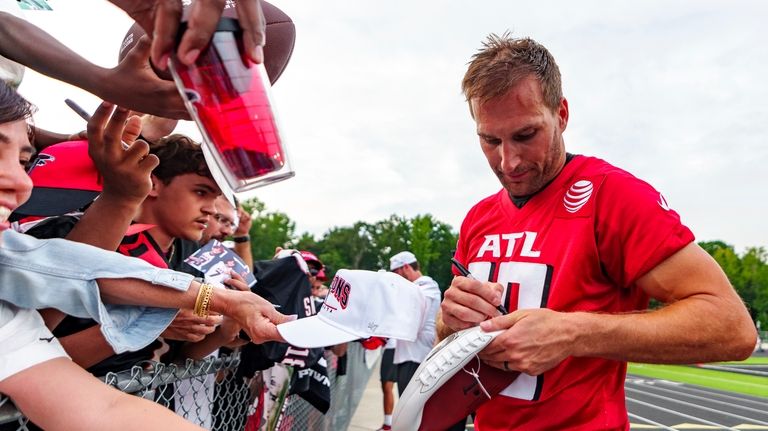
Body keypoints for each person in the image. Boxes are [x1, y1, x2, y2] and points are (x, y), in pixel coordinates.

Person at [438, 34, 757, 430]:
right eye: (490, 140)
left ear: (562, 114)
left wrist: (573, 332)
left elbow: (732, 327)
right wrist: (450, 319)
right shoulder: (478, 217)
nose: (509, 161)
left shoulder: (612, 196)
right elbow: (448, 341)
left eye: (525, 135)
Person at [0, 79, 288, 430]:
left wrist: (224, 325)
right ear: (154, 183)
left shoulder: (191, 256)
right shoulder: (64, 235)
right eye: (201, 192)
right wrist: (154, 318)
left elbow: (35, 352)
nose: (211, 211)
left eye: (23, 161)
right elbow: (66, 288)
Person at [388, 251, 441, 395]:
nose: (395, 278)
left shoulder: (425, 286)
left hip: (417, 357)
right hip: (408, 356)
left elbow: (412, 324)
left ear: (406, 267)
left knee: (412, 414)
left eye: (395, 272)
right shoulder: (416, 288)